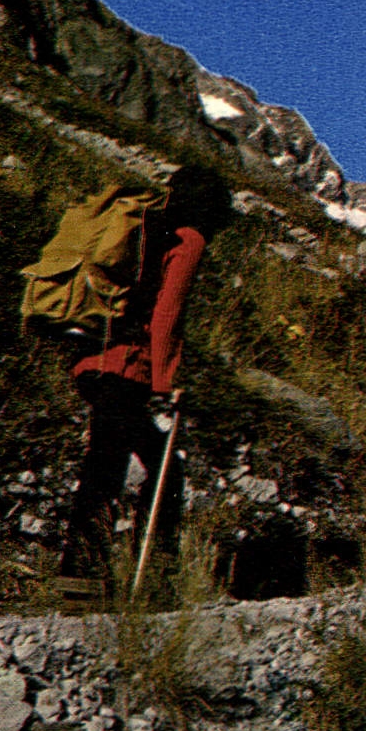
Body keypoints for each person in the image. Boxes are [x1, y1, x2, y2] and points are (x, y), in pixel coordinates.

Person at [57, 162, 230, 607]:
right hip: (126, 366)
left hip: (88, 358)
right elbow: (167, 315)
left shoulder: (146, 223)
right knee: (147, 468)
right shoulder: (187, 239)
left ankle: (84, 576)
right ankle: (142, 575)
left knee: (107, 462)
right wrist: (166, 384)